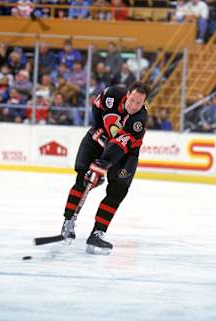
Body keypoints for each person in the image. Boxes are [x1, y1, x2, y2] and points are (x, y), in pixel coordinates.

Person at [59, 81, 148, 255]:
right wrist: (99, 128)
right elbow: (96, 107)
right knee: (83, 180)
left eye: (139, 103)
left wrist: (104, 163)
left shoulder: (139, 120)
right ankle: (68, 221)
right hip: (98, 139)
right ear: (127, 94)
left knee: (118, 190)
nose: (134, 106)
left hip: (125, 153)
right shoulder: (112, 94)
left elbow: (120, 145)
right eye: (132, 100)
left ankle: (98, 233)